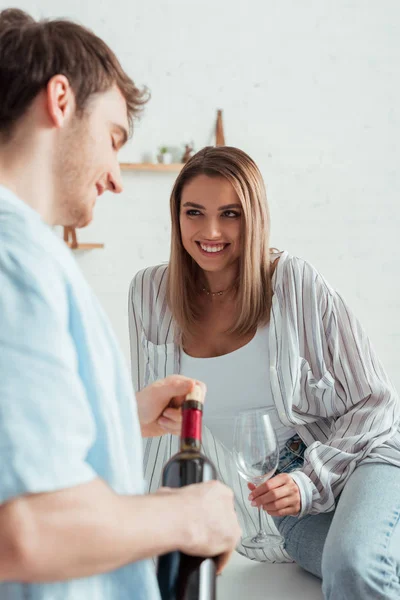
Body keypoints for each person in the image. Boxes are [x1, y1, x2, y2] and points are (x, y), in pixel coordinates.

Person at [0, 9, 241, 599]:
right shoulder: (16, 259)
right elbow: (27, 530)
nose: (116, 177)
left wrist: (119, 417)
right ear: (60, 99)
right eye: (112, 138)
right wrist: (192, 515)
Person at [129, 145, 400, 599]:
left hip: (367, 462)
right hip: (289, 509)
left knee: (355, 565)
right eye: (194, 212)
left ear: (253, 217)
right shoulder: (150, 295)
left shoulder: (294, 282)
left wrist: (307, 480)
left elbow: (375, 403)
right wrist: (147, 528)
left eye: (230, 214)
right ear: (176, 217)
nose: (210, 231)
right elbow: (156, 435)